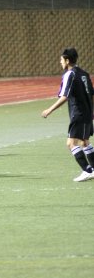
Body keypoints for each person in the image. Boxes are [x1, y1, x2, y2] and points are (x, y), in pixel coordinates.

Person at [41, 47, 94, 182]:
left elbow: (65, 96)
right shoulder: (85, 74)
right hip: (87, 113)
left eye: (61, 60)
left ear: (67, 60)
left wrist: (49, 110)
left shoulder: (70, 74)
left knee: (71, 143)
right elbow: (92, 95)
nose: (60, 62)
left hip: (79, 113)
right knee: (85, 142)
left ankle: (87, 170)